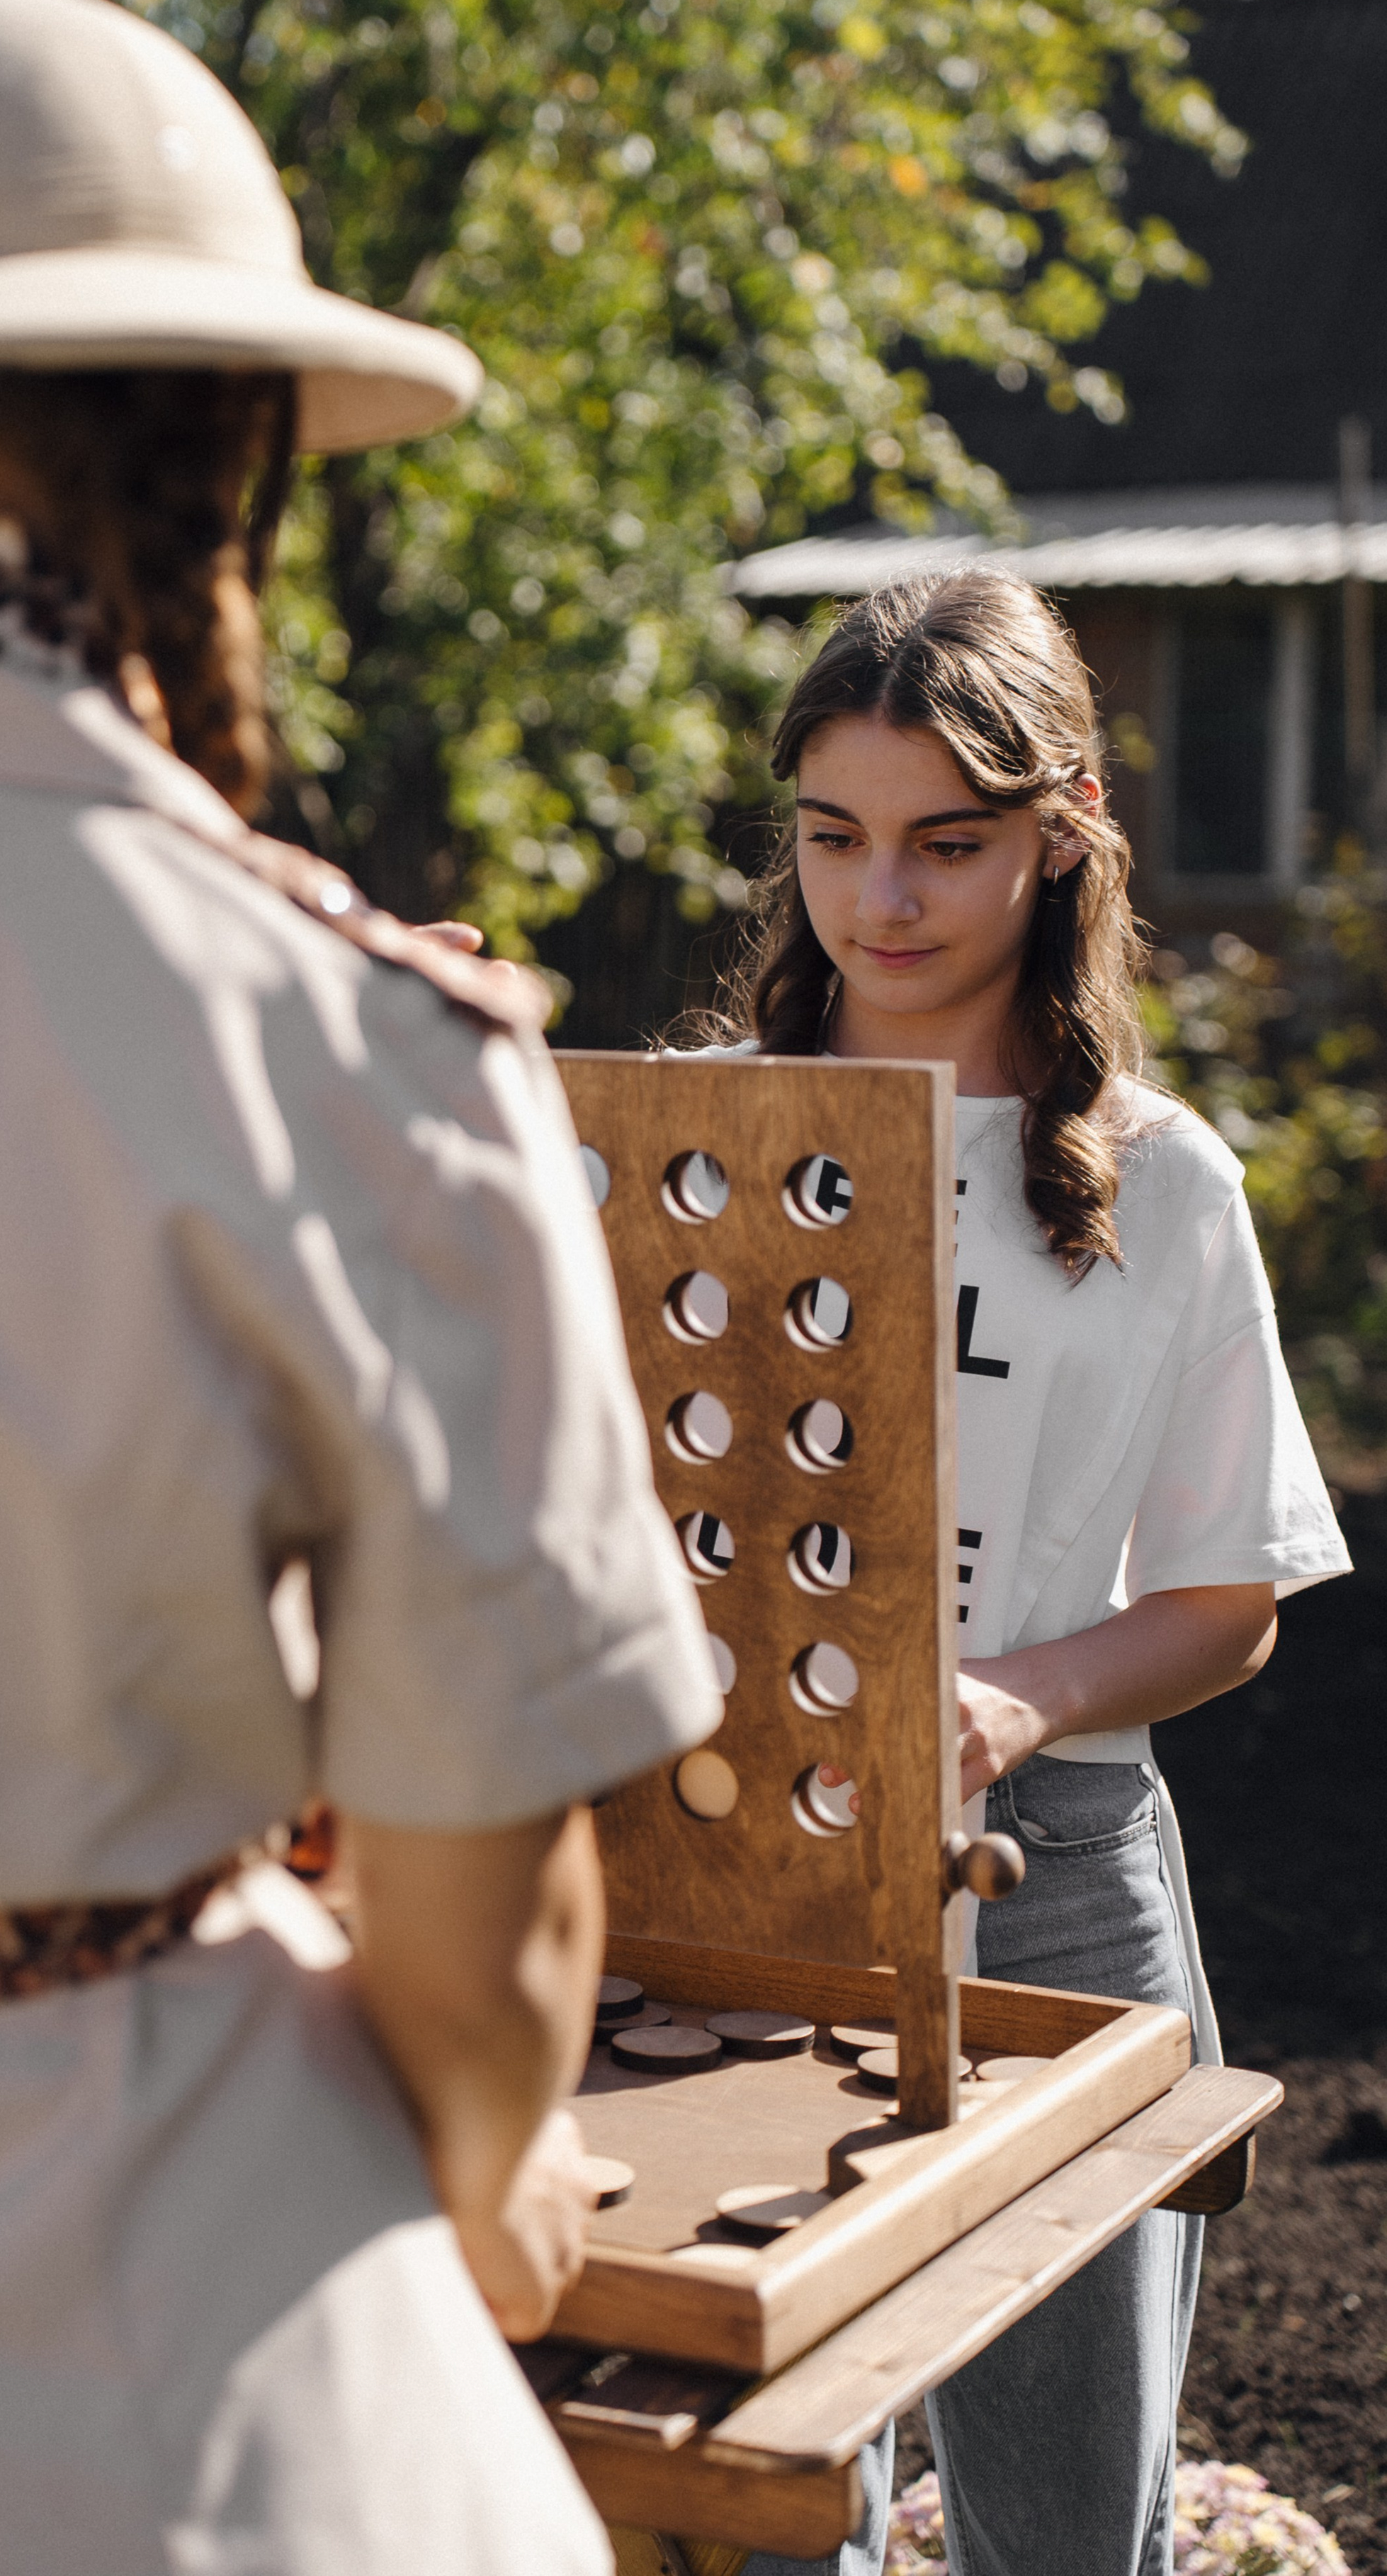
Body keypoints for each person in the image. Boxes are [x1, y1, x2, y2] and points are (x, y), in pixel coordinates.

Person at [0, 0, 725, 2576]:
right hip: (161, 2400)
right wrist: (491, 2170)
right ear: (206, 473)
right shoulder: (365, 1045)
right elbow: (484, 1938)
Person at [717, 570, 1348, 2576]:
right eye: (833, 836)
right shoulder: (701, 1145)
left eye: (946, 842)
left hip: (1060, 1880)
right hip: (750, 1873)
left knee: (1074, 2539)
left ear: (1066, 825)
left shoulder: (1163, 1183)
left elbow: (1229, 1595)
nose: (878, 896)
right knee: (750, 2514)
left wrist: (1018, 1697)